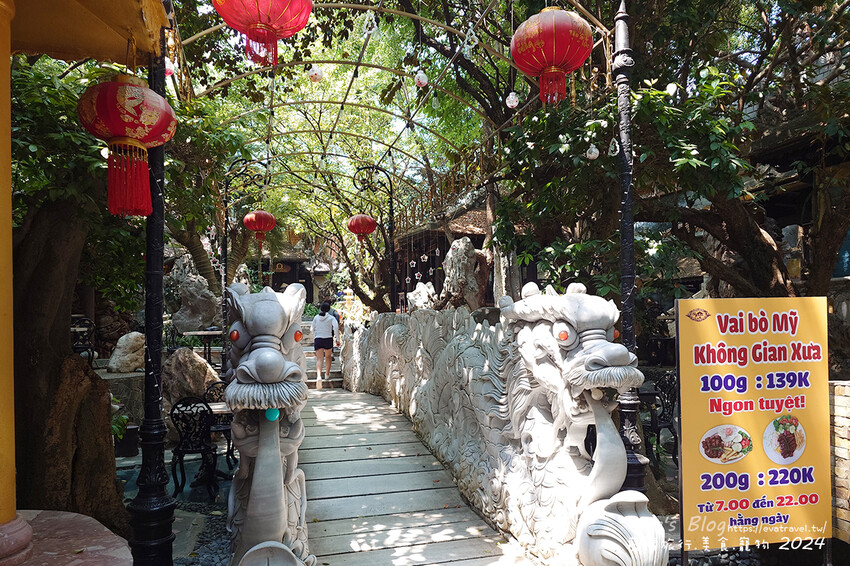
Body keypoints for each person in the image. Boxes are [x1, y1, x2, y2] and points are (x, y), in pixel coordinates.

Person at [311, 301, 339, 389]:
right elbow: (336, 328)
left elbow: (312, 329)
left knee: (319, 359)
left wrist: (316, 334)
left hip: (318, 339)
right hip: (328, 339)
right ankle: (327, 374)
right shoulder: (331, 318)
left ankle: (318, 376)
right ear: (329, 309)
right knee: (328, 357)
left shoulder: (316, 317)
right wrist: (337, 339)